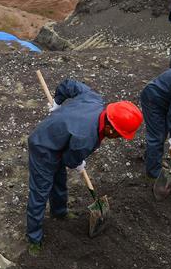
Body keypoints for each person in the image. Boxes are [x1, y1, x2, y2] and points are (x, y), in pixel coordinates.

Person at [27, 80, 143, 254]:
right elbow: (69, 159)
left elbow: (69, 85)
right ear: (111, 128)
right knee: (40, 191)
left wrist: (59, 102)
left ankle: (59, 212)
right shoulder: (86, 136)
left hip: (60, 140)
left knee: (59, 179)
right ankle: (33, 239)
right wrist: (78, 161)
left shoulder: (94, 99)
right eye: (119, 134)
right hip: (43, 146)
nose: (118, 138)